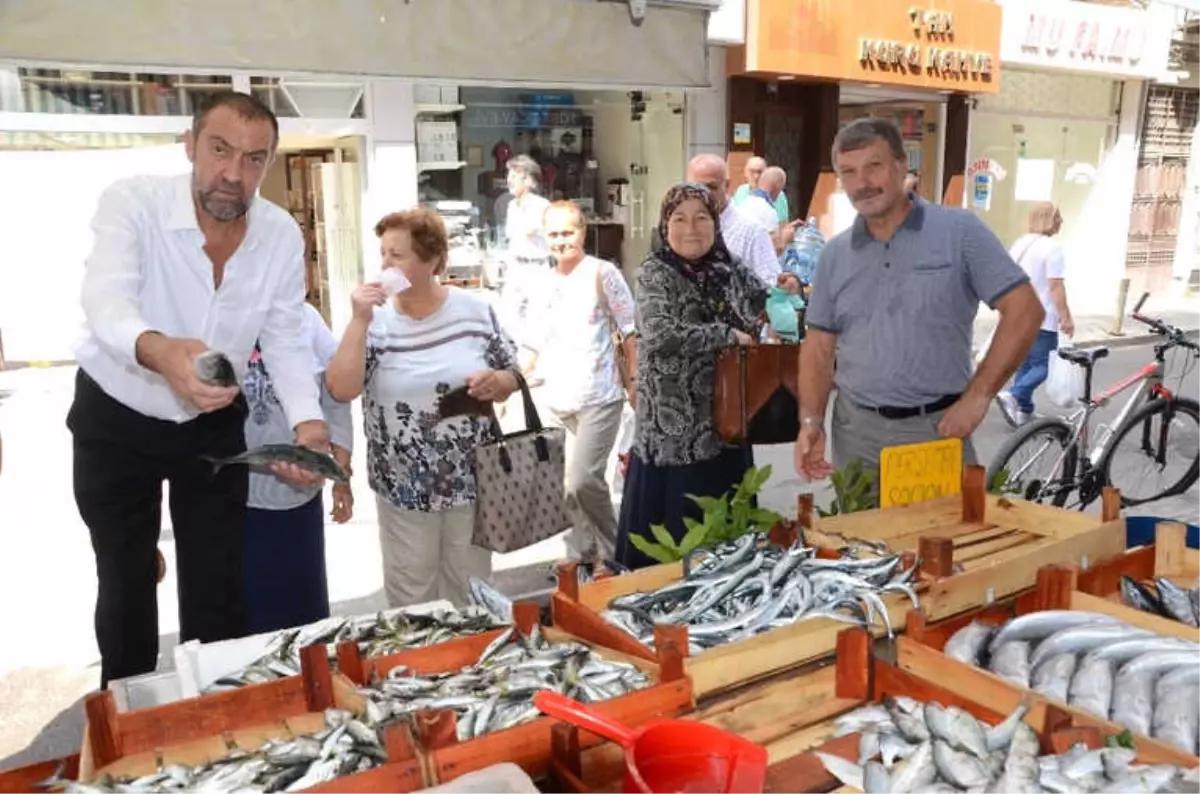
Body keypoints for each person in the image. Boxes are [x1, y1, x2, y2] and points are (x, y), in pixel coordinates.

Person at [69, 91, 328, 687]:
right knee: (126, 580)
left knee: (217, 581)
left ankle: (216, 713)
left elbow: (287, 331)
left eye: (254, 159)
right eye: (219, 150)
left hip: (211, 421)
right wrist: (160, 351)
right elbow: (104, 300)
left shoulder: (279, 234)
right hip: (116, 417)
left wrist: (308, 425)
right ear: (189, 145)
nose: (234, 174)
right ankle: (127, 720)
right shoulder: (132, 202)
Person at [794, 117, 1043, 484]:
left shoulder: (959, 232)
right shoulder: (835, 254)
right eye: (848, 172)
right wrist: (811, 421)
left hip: (934, 431)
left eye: (873, 166)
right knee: (859, 539)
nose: (861, 183)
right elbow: (818, 345)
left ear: (900, 166)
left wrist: (978, 396)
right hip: (856, 434)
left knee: (936, 539)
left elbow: (1025, 310)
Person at [325, 208, 520, 608]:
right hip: (403, 485)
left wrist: (499, 383)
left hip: (471, 479)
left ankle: (474, 662)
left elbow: (512, 372)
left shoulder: (473, 311)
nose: (385, 264)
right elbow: (341, 388)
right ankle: (420, 666)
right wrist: (359, 319)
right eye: (383, 254)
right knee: (413, 594)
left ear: (432, 260)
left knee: (472, 590)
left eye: (397, 255)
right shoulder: (376, 321)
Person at [616, 183, 768, 570]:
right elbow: (661, 334)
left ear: (716, 224)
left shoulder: (727, 267)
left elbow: (761, 299)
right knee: (676, 531)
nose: (691, 228)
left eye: (702, 217)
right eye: (679, 218)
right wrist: (727, 334)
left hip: (726, 417)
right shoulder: (655, 273)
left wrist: (780, 297)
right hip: (675, 430)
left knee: (726, 522)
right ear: (665, 225)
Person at [525, 201, 636, 563]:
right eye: (554, 234)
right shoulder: (541, 282)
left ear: (583, 232)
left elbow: (630, 330)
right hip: (557, 397)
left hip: (600, 395)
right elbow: (533, 340)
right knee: (565, 488)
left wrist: (634, 381)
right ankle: (584, 556)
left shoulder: (603, 273)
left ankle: (617, 551)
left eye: (568, 232)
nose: (561, 240)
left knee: (584, 480)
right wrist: (512, 382)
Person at [240, 300, 355, 634]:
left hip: (298, 501)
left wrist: (341, 476)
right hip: (237, 503)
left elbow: (335, 393)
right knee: (249, 618)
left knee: (304, 619)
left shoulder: (307, 320)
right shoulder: (225, 314)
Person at [996, 203, 1075, 427]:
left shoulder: (1020, 244)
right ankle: (1013, 394)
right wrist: (1065, 317)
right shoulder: (1052, 248)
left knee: (1026, 364)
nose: (1061, 221)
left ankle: (1024, 410)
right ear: (1048, 219)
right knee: (1044, 365)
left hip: (1017, 314)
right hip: (1042, 318)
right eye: (1058, 216)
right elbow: (1055, 286)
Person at [685, 154, 780, 286]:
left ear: (727, 185)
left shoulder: (753, 232)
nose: (703, 194)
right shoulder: (680, 231)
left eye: (711, 187)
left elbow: (771, 287)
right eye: (695, 188)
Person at [499, 155, 551, 348]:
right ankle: (517, 355)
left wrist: (534, 230)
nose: (509, 180)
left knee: (537, 317)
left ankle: (536, 362)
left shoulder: (542, 205)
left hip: (536, 267)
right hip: (515, 266)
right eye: (508, 175)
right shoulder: (512, 206)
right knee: (507, 315)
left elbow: (547, 235)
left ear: (528, 180)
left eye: (514, 176)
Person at [733, 155, 791, 225]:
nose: (756, 176)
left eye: (759, 172)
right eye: (752, 171)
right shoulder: (741, 191)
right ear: (745, 173)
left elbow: (783, 224)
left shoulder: (778, 194)